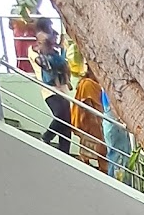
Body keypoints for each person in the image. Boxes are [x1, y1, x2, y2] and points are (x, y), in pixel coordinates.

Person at [32, 20, 72, 155]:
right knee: (60, 115)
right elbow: (44, 63)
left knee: (66, 124)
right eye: (49, 28)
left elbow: (63, 63)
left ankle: (65, 154)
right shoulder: (36, 50)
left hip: (62, 89)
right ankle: (46, 137)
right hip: (50, 90)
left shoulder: (55, 51)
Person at [71, 62, 108, 170]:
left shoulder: (94, 84)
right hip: (91, 121)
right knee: (100, 148)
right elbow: (86, 103)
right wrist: (95, 119)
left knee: (98, 148)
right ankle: (91, 167)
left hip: (97, 119)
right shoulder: (87, 84)